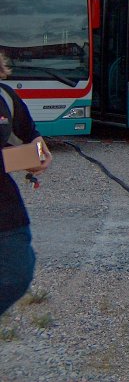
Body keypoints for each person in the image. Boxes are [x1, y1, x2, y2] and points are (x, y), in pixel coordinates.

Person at [0, 52, 52, 317]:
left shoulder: (5, 98)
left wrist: (40, 153)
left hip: (6, 211)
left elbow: (31, 135)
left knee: (19, 271)